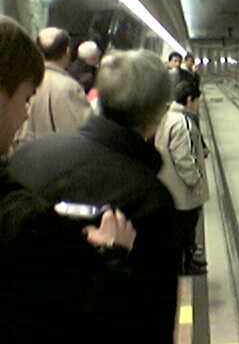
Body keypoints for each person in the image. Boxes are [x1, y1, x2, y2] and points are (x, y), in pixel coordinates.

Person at [10, 49, 180, 343]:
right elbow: (151, 319)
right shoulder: (151, 199)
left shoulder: (27, 155)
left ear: (98, 97)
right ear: (159, 114)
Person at [0, 17, 137, 342]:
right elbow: (81, 319)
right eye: (25, 99)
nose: (23, 116)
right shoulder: (22, 219)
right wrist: (111, 254)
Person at [156, 81, 209, 276]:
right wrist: (196, 182)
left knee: (179, 229)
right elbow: (184, 158)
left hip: (170, 184)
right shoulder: (182, 122)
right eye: (197, 101)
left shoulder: (167, 117)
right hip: (182, 188)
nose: (198, 106)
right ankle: (187, 265)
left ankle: (185, 262)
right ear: (189, 100)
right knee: (186, 228)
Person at [16, 27, 92, 145]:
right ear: (67, 52)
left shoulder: (21, 80)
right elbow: (85, 131)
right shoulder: (69, 87)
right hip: (53, 157)